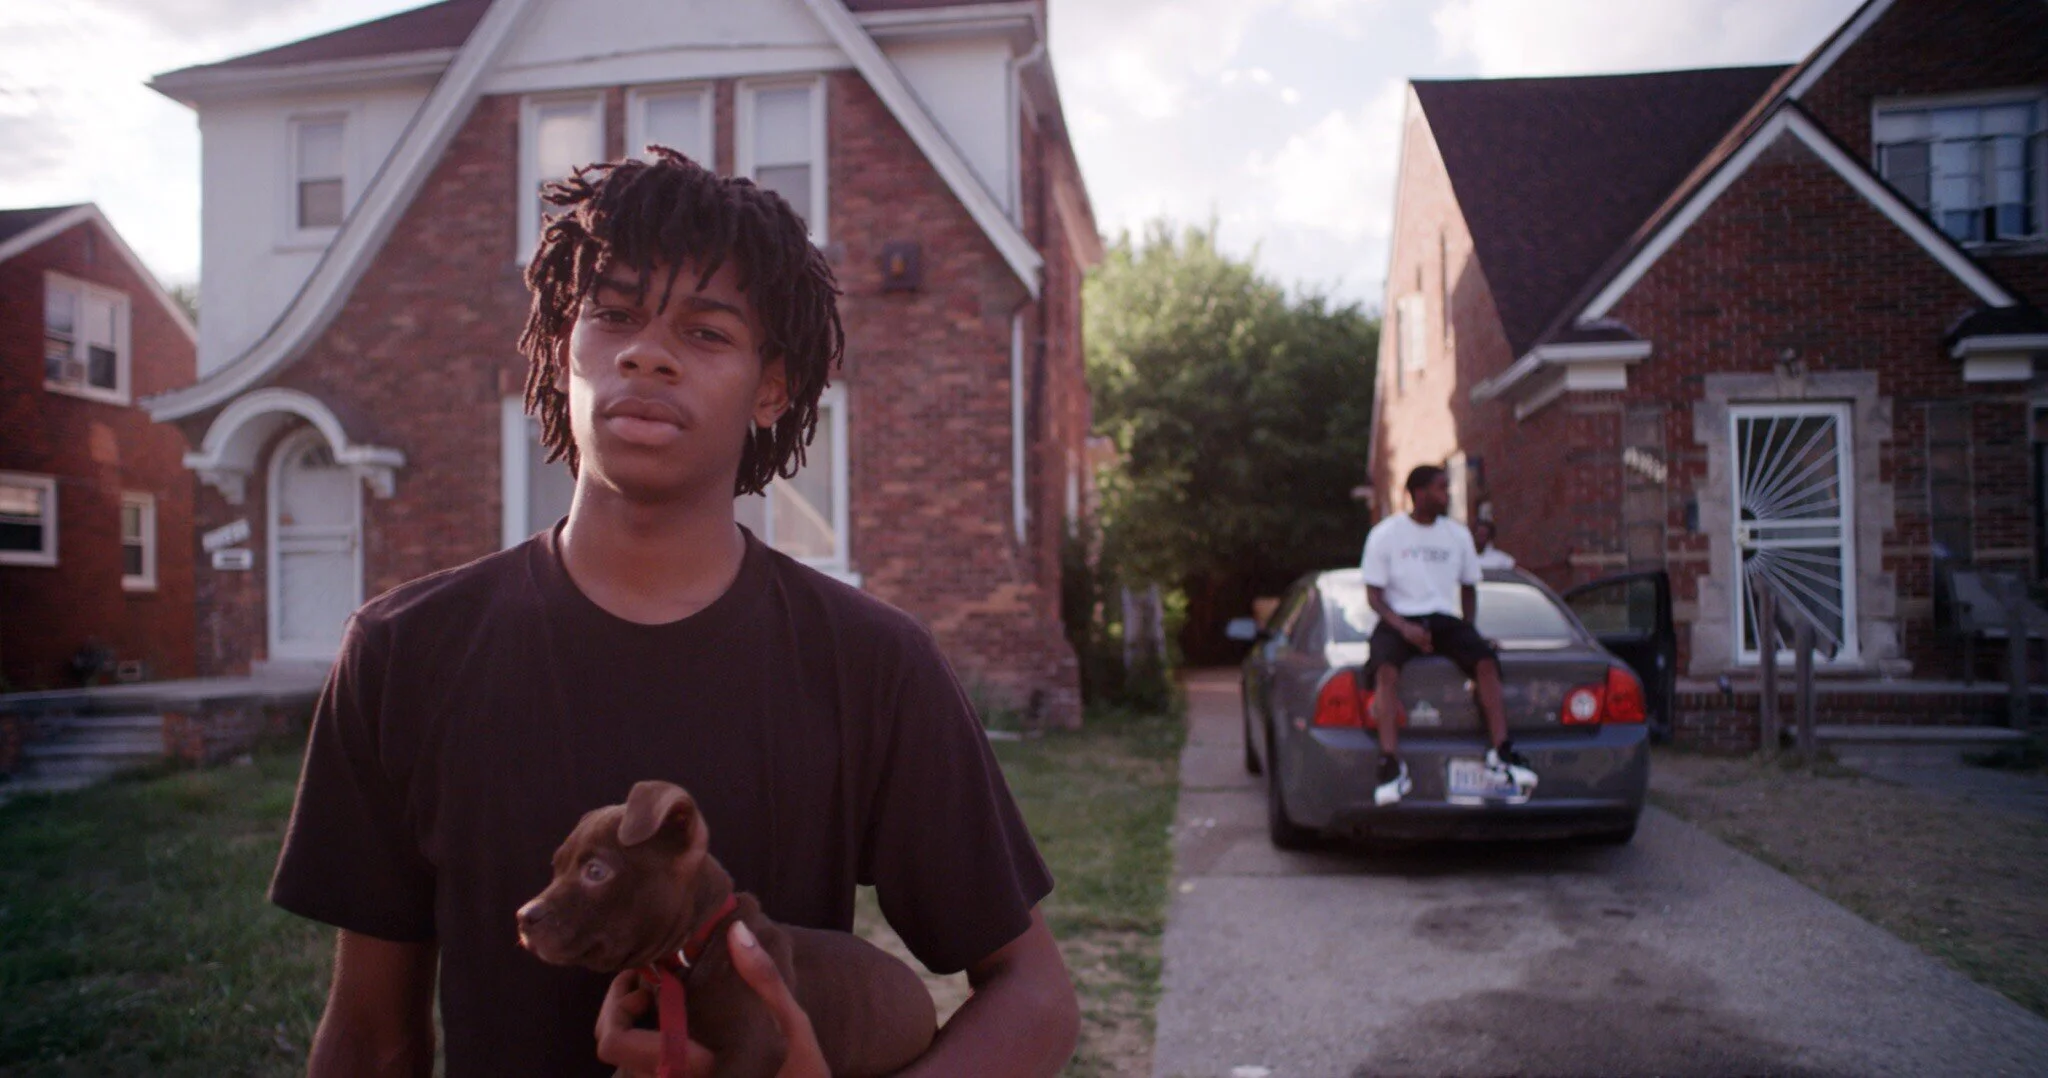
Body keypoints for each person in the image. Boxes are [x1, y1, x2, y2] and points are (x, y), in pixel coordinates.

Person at [269, 148, 1080, 1078]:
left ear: (771, 387)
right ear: (560, 346)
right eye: (613, 315)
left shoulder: (872, 665)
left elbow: (1034, 994)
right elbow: (372, 1037)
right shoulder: (403, 653)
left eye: (705, 332)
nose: (646, 352)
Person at [1358, 466, 1537, 806]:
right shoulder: (1386, 534)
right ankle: (1390, 763)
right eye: (1441, 488)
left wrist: (1470, 631)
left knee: (1485, 661)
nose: (1447, 495)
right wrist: (1404, 628)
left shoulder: (1457, 535)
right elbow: (1374, 597)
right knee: (1384, 670)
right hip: (1398, 618)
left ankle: (1501, 751)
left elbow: (1469, 588)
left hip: (1443, 619)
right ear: (1419, 493)